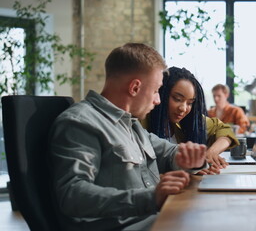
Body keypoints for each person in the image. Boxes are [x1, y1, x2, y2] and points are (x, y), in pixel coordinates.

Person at [48, 43, 207, 231]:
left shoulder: (131, 125)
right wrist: (151, 198)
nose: (158, 100)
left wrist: (192, 158)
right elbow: (72, 194)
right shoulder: (80, 122)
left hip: (156, 220)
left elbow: (169, 152)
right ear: (134, 87)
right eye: (156, 90)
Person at [146, 67, 238, 174]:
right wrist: (189, 169)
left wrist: (210, 154)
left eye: (189, 103)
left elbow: (223, 129)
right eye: (177, 99)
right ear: (161, 93)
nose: (183, 108)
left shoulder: (187, 121)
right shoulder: (141, 124)